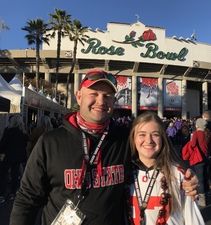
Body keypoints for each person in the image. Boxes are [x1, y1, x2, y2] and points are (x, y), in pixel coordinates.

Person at [10, 69, 198, 225]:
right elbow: (27, 198)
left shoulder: (124, 138)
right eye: (94, 94)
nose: (101, 101)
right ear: (79, 96)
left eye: (107, 96)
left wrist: (186, 175)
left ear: (114, 101)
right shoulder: (50, 142)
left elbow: (156, 153)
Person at [126, 111, 205, 225]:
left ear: (163, 138)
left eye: (155, 134)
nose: (149, 140)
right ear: (133, 138)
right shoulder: (123, 174)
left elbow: (193, 220)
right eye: (142, 134)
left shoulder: (179, 175)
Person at [0, 115, 28, 203]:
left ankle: (1, 195)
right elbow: (25, 145)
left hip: (8, 156)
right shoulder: (23, 132)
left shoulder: (9, 131)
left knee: (3, 175)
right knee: (15, 175)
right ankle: (12, 193)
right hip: (18, 156)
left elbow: (3, 143)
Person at [190, 118, 211, 207]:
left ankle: (202, 200)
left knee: (200, 179)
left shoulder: (196, 133)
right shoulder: (208, 133)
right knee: (205, 177)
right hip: (206, 157)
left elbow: (193, 144)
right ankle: (207, 194)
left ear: (198, 125)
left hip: (199, 158)